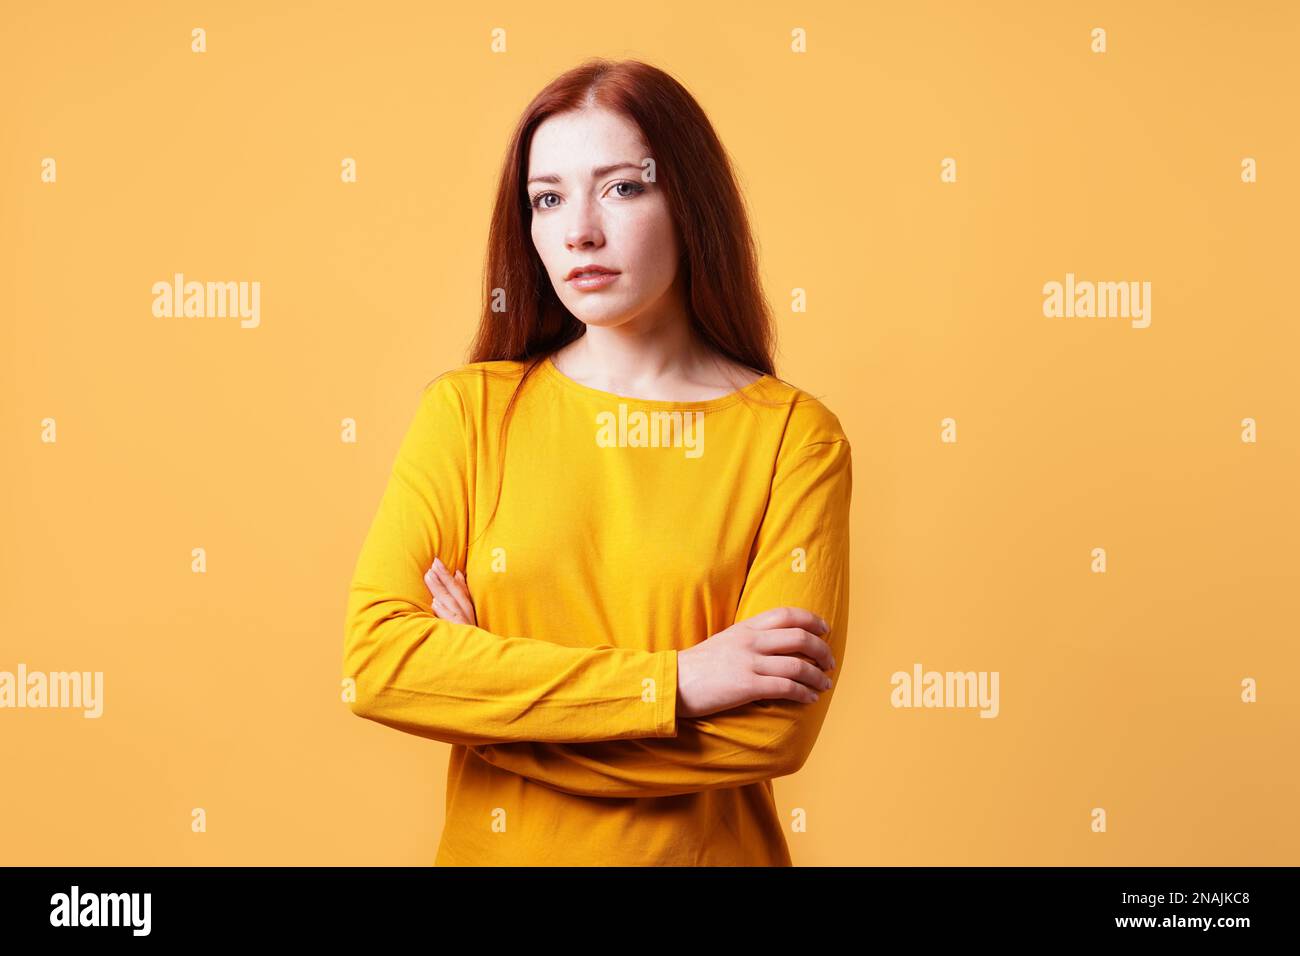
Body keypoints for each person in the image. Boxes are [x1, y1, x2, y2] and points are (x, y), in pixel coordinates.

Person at [343, 58, 852, 866]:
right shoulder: (470, 413)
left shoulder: (794, 437)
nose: (579, 229)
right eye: (547, 198)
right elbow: (378, 663)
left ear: (691, 203)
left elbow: (768, 735)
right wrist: (677, 684)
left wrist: (485, 711)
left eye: (621, 188)